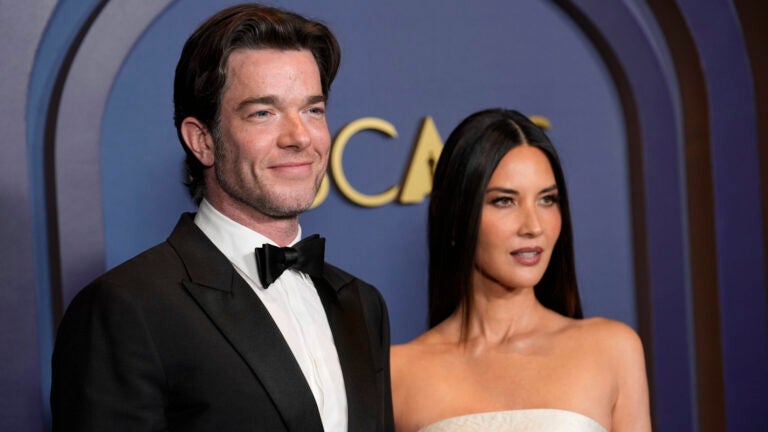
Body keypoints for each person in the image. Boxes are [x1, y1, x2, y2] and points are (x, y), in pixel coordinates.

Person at [51, 4, 393, 431]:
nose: (299, 137)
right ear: (202, 140)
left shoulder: (362, 304)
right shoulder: (126, 308)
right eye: (263, 113)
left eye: (313, 110)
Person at [391, 109, 651, 432]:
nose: (533, 227)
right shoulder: (397, 373)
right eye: (504, 201)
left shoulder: (612, 349)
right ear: (457, 217)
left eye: (547, 200)